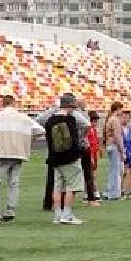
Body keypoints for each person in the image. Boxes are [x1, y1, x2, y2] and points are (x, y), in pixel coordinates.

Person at [0, 95, 35, 222]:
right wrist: (25, 141)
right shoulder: (23, 117)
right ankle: (10, 211)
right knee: (14, 183)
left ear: (3, 103)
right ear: (14, 103)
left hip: (2, 152)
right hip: (18, 152)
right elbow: (39, 130)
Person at [40, 94, 90, 226]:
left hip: (54, 158)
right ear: (69, 106)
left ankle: (58, 215)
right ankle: (67, 215)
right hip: (70, 158)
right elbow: (74, 139)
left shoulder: (50, 121)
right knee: (71, 187)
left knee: (57, 188)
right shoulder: (70, 119)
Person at [103, 104, 127, 201]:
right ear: (117, 109)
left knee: (113, 170)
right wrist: (122, 151)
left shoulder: (109, 119)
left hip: (110, 145)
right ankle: (114, 194)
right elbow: (117, 136)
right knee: (116, 171)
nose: (122, 111)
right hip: (114, 146)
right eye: (121, 109)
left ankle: (109, 191)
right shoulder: (115, 120)